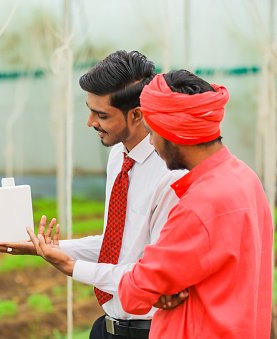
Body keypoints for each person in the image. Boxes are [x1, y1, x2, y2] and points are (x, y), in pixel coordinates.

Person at [0, 50, 187, 339]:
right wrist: (50, 249)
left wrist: (73, 266)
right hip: (108, 326)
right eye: (89, 110)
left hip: (150, 330)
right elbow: (118, 242)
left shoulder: (170, 174)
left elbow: (151, 273)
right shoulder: (118, 157)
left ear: (137, 115)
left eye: (101, 115)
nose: (90, 122)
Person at [113, 70, 273, 338]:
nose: (152, 143)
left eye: (153, 133)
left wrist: (155, 289)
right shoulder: (246, 178)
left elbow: (134, 292)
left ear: (173, 133)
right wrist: (162, 288)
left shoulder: (200, 204)